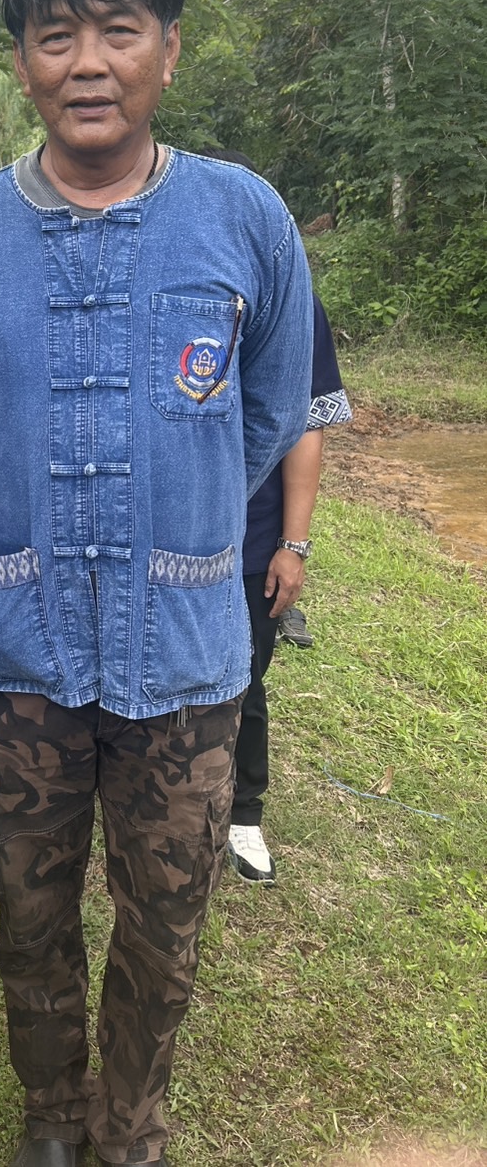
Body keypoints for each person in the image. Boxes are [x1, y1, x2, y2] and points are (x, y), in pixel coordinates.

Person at [0, 0, 314, 1167]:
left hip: (187, 667)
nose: (87, 62)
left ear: (168, 52)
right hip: (16, 659)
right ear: (22, 62)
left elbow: (266, 412)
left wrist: (185, 528)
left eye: (117, 31)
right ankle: (47, 1117)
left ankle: (126, 1123)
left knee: (165, 921)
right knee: (27, 916)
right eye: (53, 35)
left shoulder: (245, 217)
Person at [228, 289, 352, 883]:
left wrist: (292, 544)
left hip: (250, 533)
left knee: (244, 675)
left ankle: (242, 811)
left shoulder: (291, 300)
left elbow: (305, 424)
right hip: (154, 528)